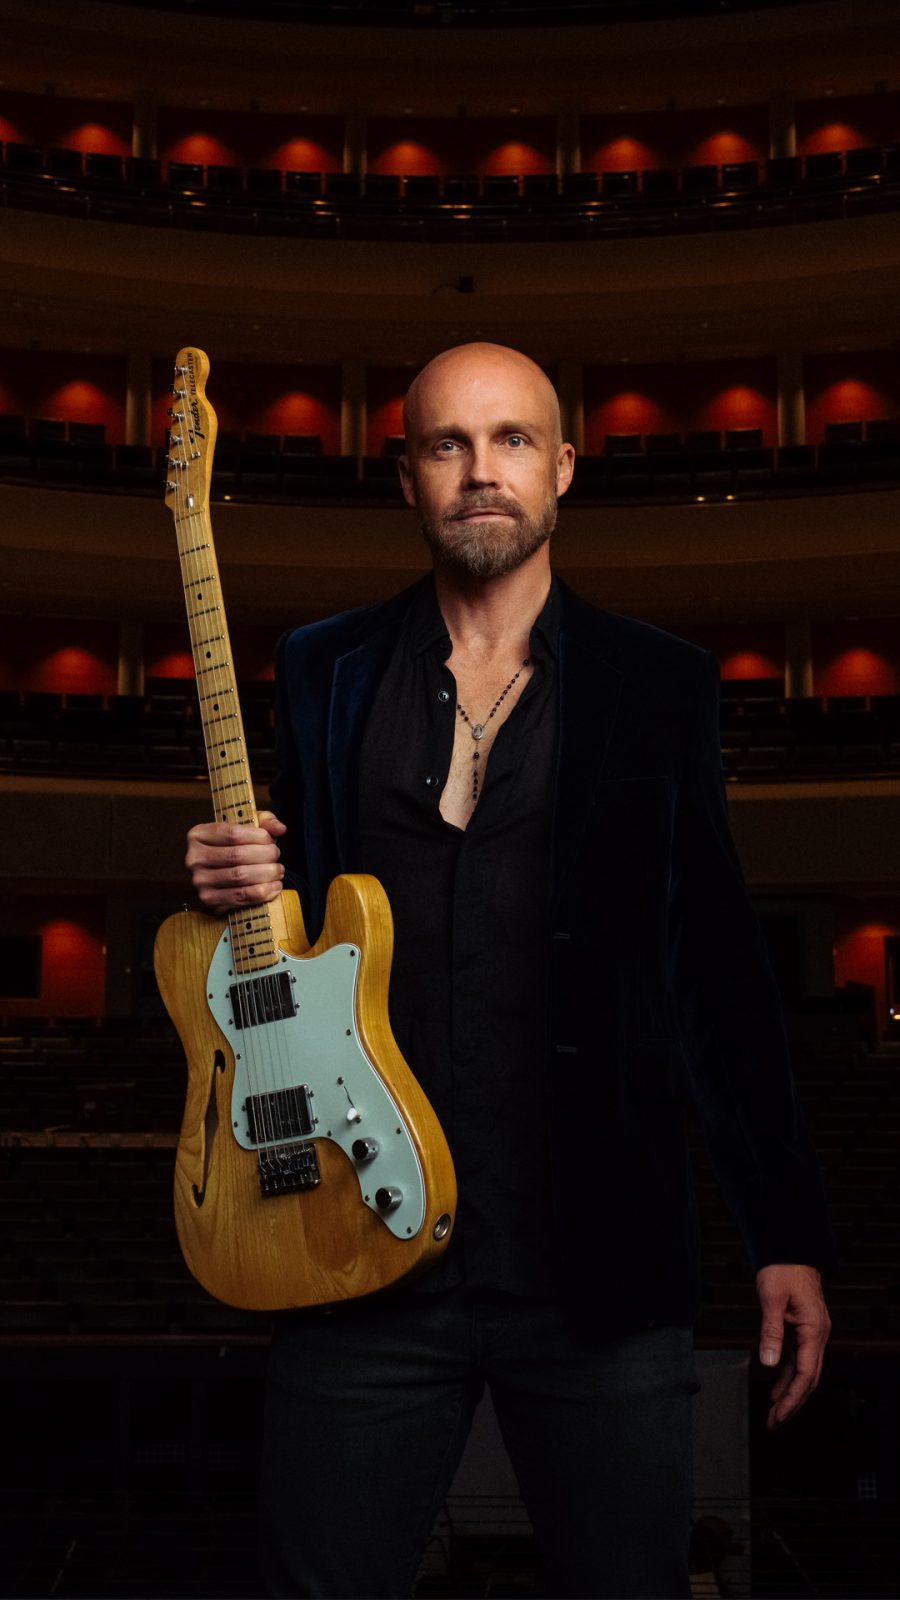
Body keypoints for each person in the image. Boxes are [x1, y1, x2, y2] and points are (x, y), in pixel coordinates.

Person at [185, 342, 833, 1599]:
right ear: (408, 477)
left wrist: (785, 1234)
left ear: (563, 468)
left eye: (512, 439)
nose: (481, 470)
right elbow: (288, 941)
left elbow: (716, 973)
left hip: (599, 1261)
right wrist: (238, 879)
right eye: (448, 442)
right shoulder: (323, 665)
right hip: (352, 1248)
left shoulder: (661, 683)